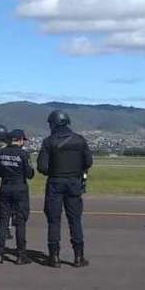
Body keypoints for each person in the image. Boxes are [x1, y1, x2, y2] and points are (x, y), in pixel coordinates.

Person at [37, 110, 93, 268]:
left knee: (54, 220)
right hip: (74, 183)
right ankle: (78, 256)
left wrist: (55, 171)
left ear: (53, 124)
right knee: (75, 220)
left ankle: (54, 257)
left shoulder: (48, 142)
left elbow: (42, 167)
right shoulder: (80, 140)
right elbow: (88, 162)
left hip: (55, 183)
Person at [0, 130, 35, 264]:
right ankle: (20, 255)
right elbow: (29, 174)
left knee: (3, 221)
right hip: (19, 188)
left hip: (4, 187)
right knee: (20, 222)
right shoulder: (23, 154)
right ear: (20, 140)